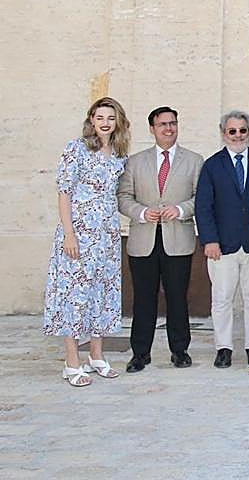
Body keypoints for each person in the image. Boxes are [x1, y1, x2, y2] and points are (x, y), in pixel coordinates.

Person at [44, 97, 131, 386]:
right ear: (91, 120)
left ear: (117, 121)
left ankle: (96, 355)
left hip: (107, 235)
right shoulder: (76, 149)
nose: (105, 122)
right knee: (74, 294)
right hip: (79, 234)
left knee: (103, 294)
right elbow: (64, 192)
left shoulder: (119, 154)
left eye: (111, 117)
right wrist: (69, 233)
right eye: (100, 117)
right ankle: (72, 362)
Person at [117, 106, 203, 372]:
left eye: (173, 123)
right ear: (152, 129)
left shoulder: (194, 160)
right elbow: (123, 197)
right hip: (144, 239)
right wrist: (142, 212)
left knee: (178, 297)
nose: (169, 128)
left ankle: (180, 350)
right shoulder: (135, 161)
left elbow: (201, 197)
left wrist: (179, 210)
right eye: (163, 124)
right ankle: (140, 353)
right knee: (143, 298)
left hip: (178, 238)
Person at [195, 110, 249, 368]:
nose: (238, 136)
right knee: (222, 299)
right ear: (223, 133)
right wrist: (209, 240)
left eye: (242, 130)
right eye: (232, 131)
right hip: (222, 245)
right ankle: (223, 348)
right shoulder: (212, 165)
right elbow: (203, 206)